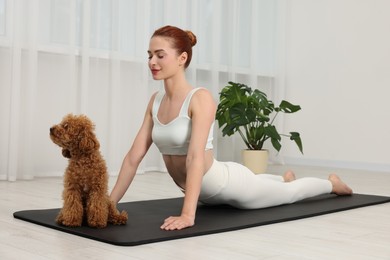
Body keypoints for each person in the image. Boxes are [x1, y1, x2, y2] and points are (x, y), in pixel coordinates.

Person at [109, 25, 353, 231]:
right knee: (273, 186)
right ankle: (280, 177)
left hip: (229, 186)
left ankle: (332, 184)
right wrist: (109, 204)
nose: (152, 61)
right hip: (206, 195)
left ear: (182, 58)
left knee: (289, 195)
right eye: (149, 54)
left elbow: (194, 158)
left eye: (160, 55)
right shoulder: (156, 101)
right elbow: (134, 157)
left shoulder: (199, 99)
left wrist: (187, 215)